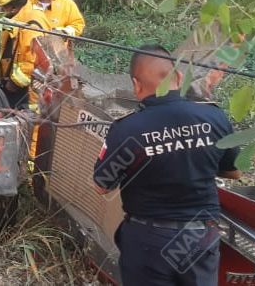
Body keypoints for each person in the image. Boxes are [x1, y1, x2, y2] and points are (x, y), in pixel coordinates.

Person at [93, 45, 242, 286]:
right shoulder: (214, 117)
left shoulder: (126, 129)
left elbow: (102, 186)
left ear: (136, 84)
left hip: (147, 241)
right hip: (199, 236)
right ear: (179, 77)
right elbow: (235, 171)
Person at [0, 0, 50, 109]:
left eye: (3, 7)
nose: (2, 10)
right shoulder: (17, 18)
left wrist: (13, 84)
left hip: (25, 94)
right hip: (12, 86)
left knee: (27, 126)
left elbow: (30, 62)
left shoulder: (32, 23)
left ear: (13, 7)